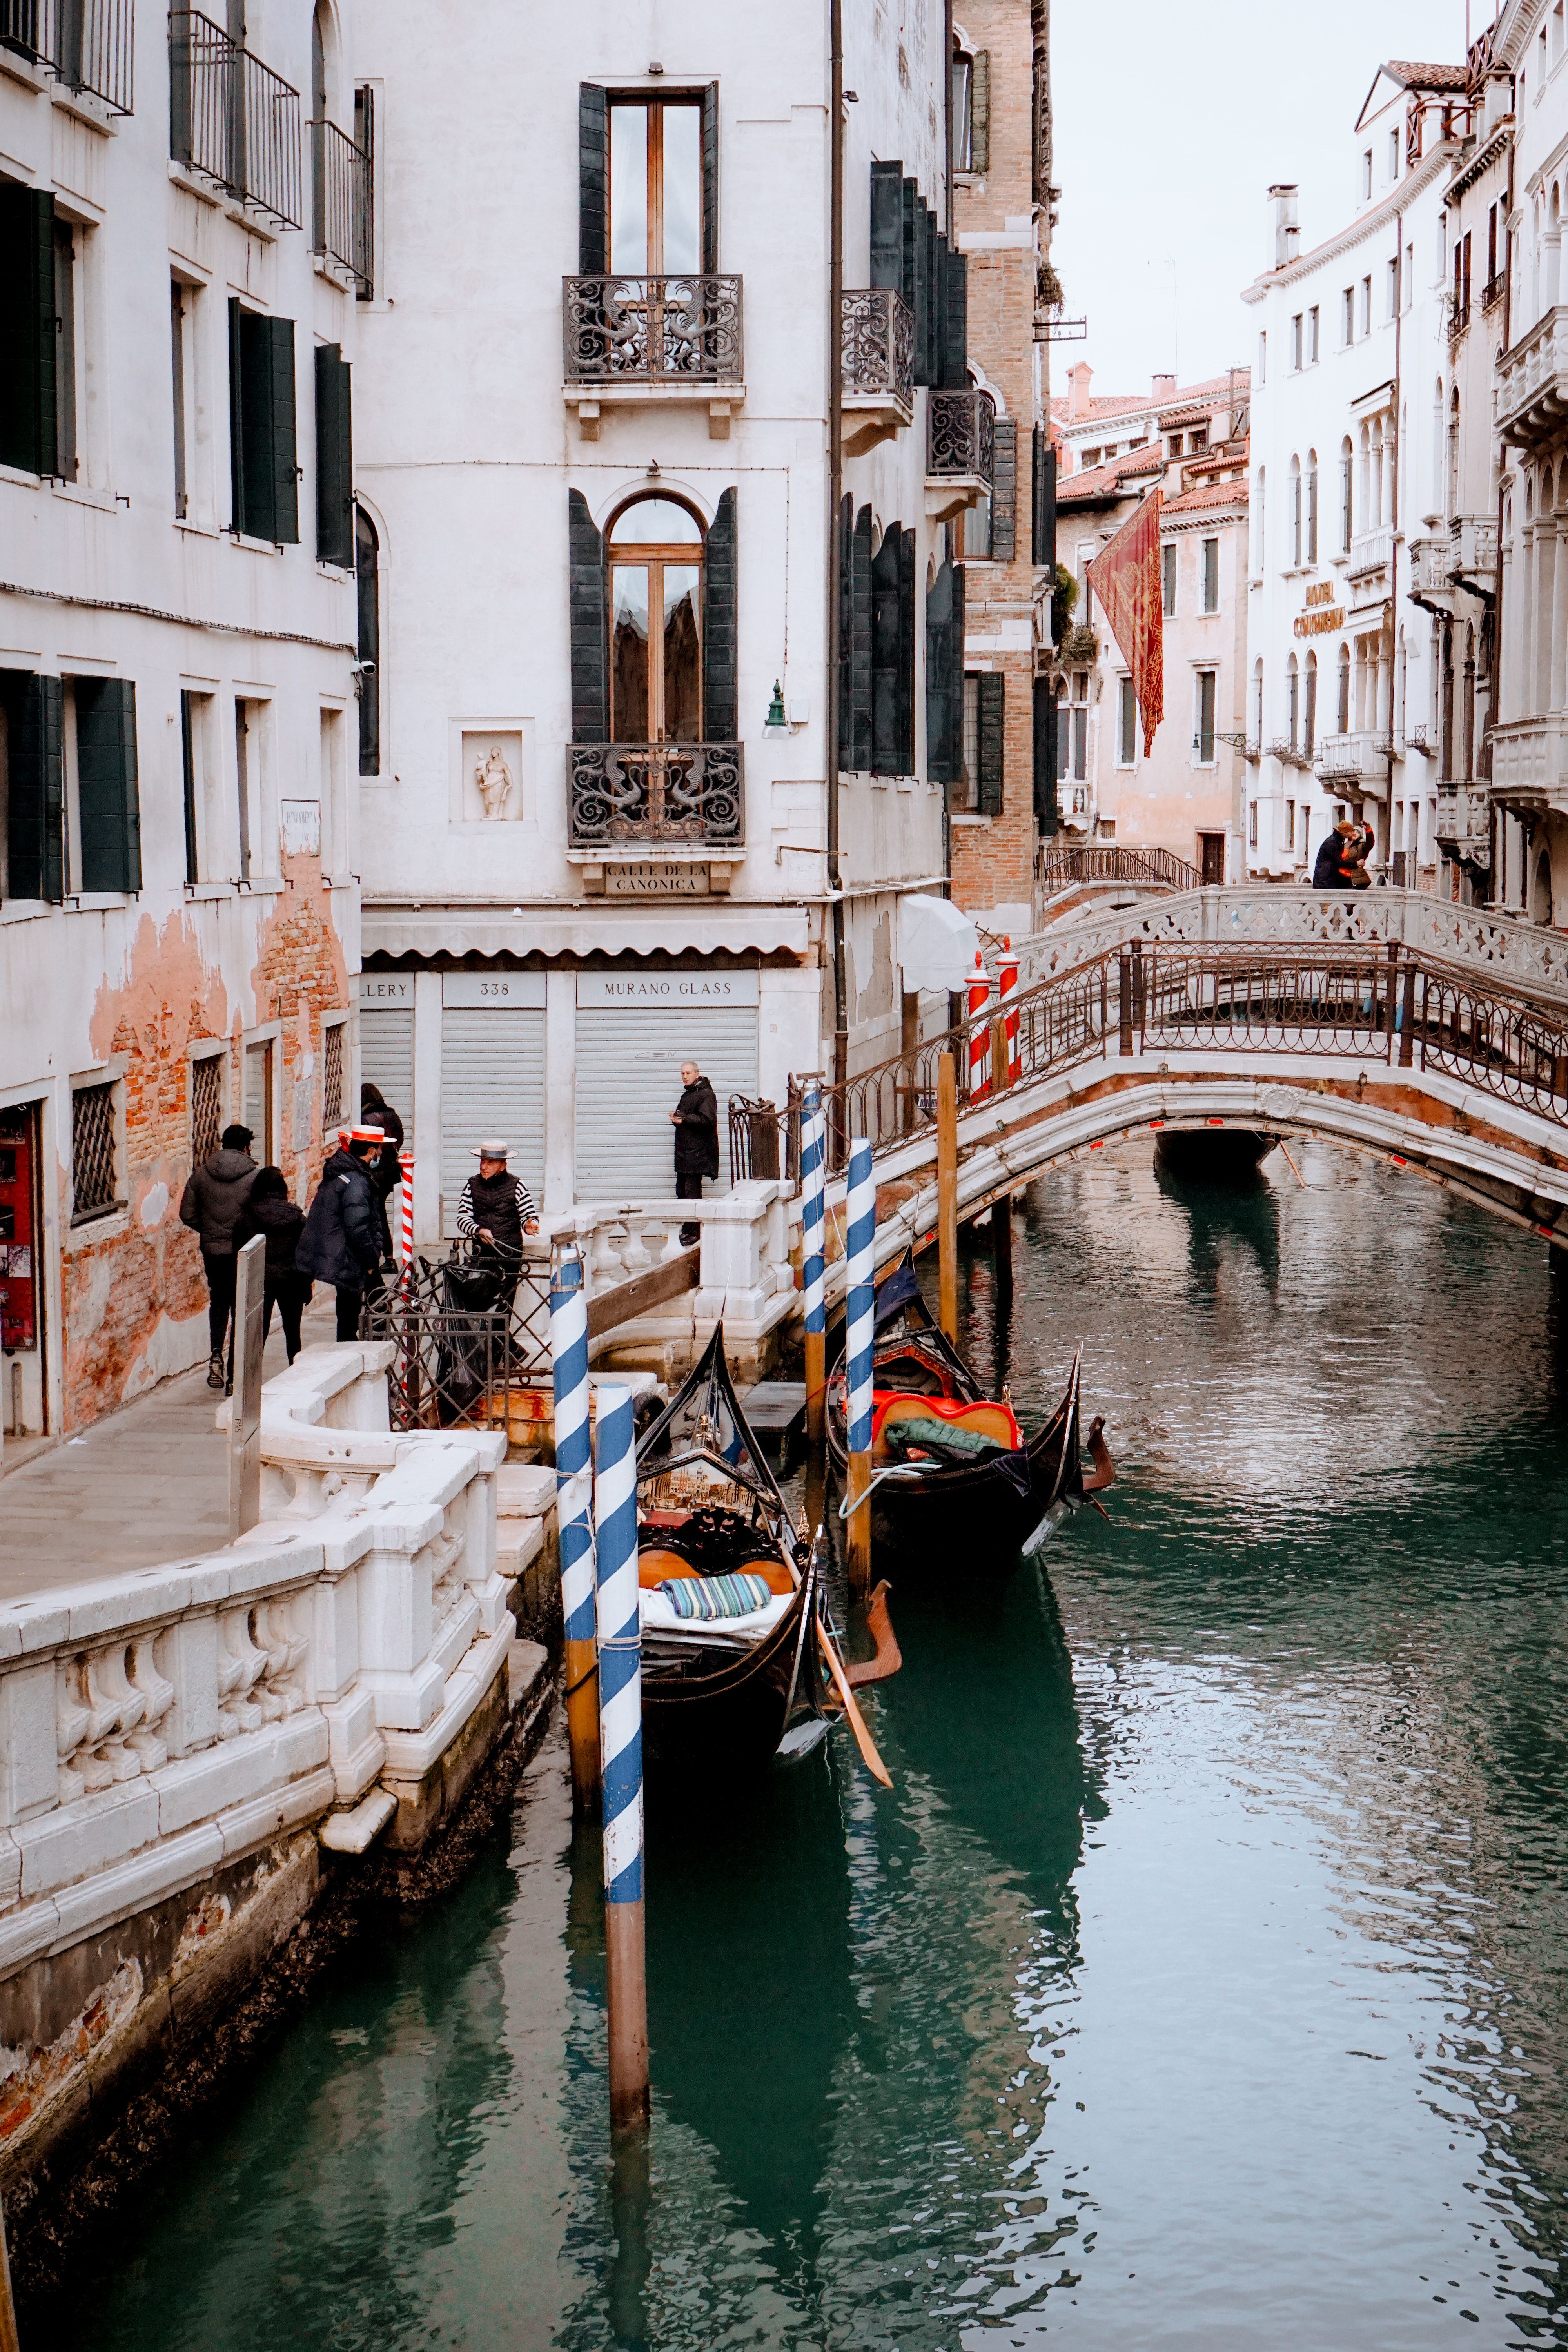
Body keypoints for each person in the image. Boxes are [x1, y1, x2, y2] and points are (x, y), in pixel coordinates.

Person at [179, 1122, 259, 1388]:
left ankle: (216, 1355)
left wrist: (211, 1231)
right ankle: (235, 1374)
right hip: (242, 1252)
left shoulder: (201, 1175)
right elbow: (259, 1215)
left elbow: (187, 1214)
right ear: (246, 1147)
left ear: (223, 1144)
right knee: (240, 1307)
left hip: (213, 1251)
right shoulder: (254, 1177)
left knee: (219, 1301)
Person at [296, 1125, 392, 1342]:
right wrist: (370, 1260)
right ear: (371, 1151)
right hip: (354, 1257)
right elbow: (357, 1227)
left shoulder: (343, 1173)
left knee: (351, 1312)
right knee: (373, 1309)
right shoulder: (356, 1181)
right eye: (380, 1149)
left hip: (348, 1256)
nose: (381, 1154)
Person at [233, 1167, 312, 1363]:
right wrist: (306, 1284)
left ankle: (241, 1382)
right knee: (294, 1334)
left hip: (260, 1281)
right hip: (292, 1281)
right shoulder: (297, 1219)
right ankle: (296, 1376)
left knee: (256, 1336)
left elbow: (238, 1252)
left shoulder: (246, 1218)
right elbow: (308, 1254)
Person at [454, 1140, 539, 1293]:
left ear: (503, 1166)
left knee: (506, 1299)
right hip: (482, 1252)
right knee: (479, 1295)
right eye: (482, 1162)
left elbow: (529, 1214)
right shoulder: (472, 1185)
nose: (484, 1167)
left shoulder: (517, 1185)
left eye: (490, 1163)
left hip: (510, 1251)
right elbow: (462, 1218)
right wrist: (479, 1230)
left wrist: (528, 1225)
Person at [669, 1060, 718, 1247]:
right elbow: (686, 1117)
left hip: (697, 1153)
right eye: (683, 1073)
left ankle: (695, 1231)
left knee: (692, 1192)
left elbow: (708, 1120)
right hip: (684, 1152)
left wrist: (685, 1119)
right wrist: (676, 1119)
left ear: (697, 1074)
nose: (685, 1076)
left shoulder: (706, 1095)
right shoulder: (688, 1094)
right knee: (681, 1191)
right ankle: (687, 1229)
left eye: (688, 1073)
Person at [360, 1082, 404, 1207]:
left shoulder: (365, 1119)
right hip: (391, 1171)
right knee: (380, 1207)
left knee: (373, 1209)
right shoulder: (393, 1115)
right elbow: (399, 1140)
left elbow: (364, 1146)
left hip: (374, 1171)